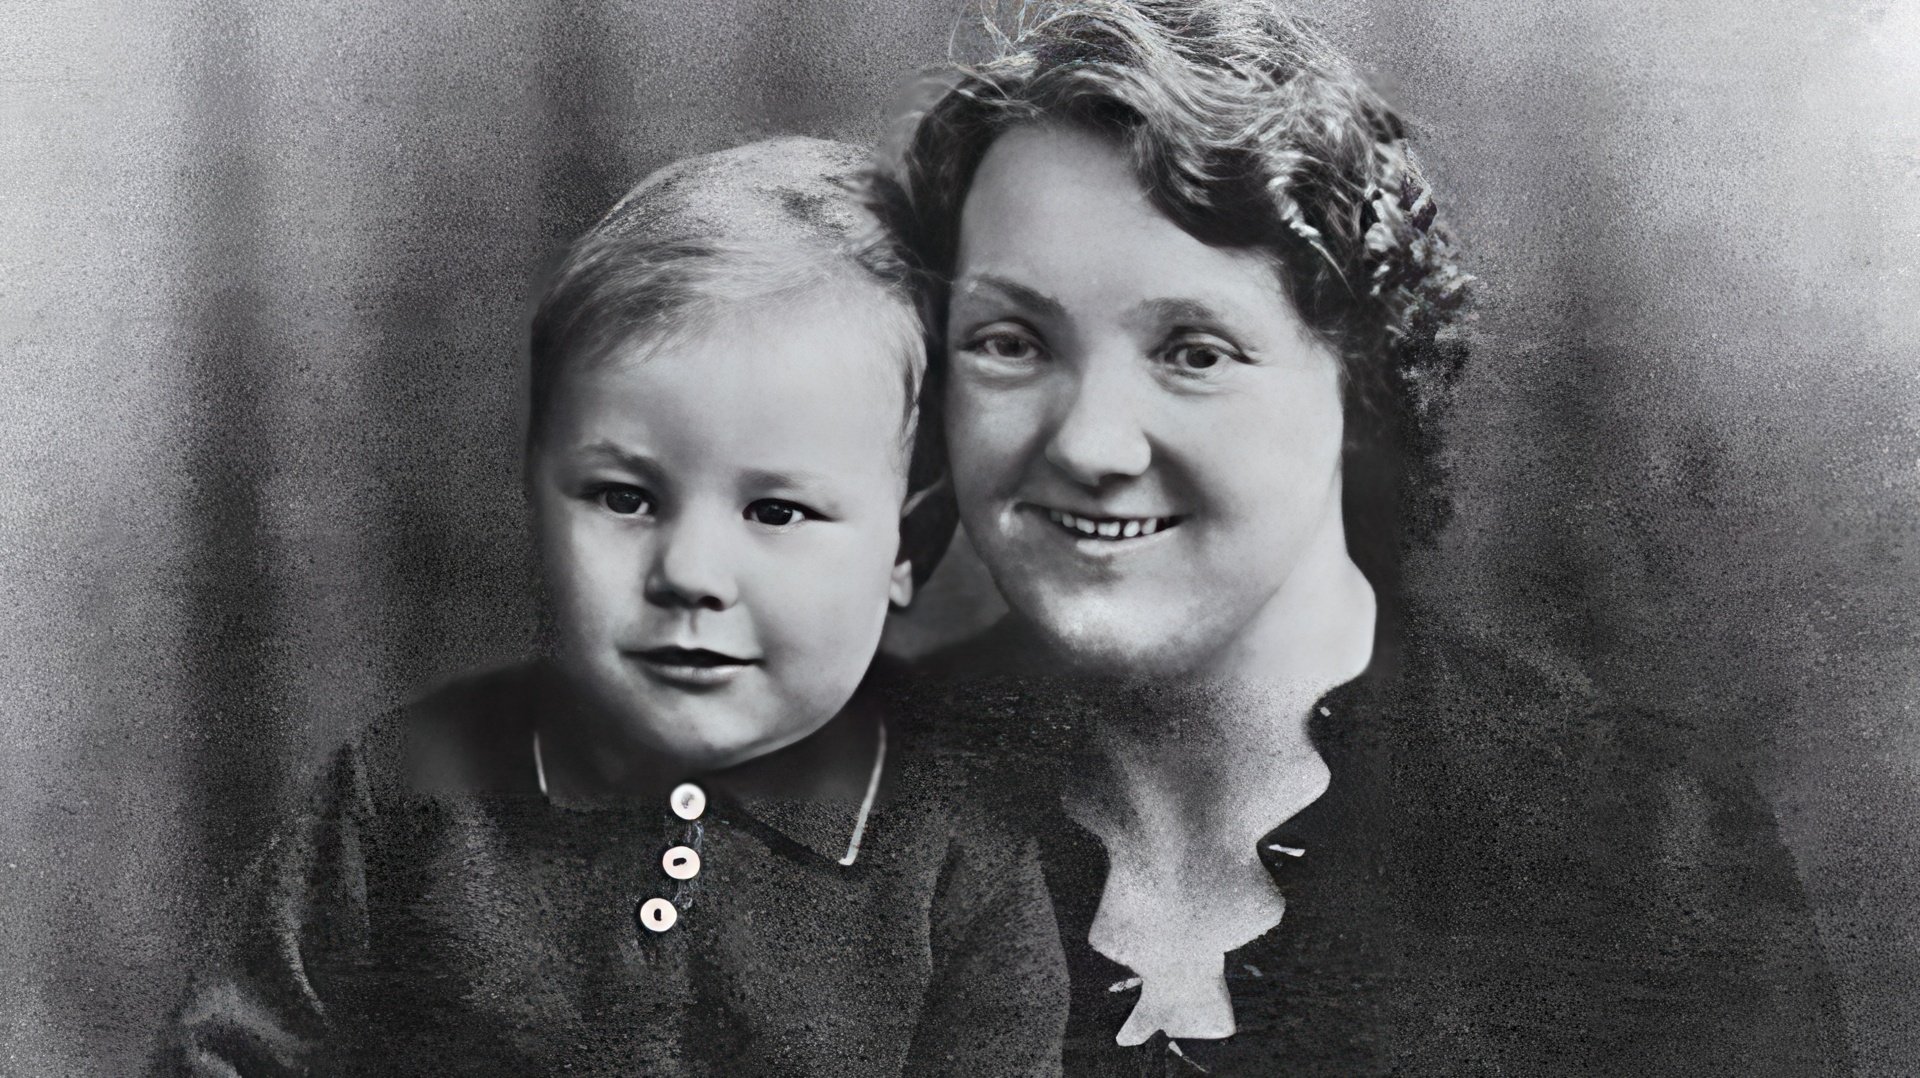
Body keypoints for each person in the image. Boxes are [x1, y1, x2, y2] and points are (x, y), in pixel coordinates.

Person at [879, 1, 1851, 1072]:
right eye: (1011, 342)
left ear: (1360, 377)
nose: (1093, 441)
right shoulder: (827, 812)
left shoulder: (1642, 853)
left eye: (1195, 351)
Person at [151, 137, 1067, 1076]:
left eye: (778, 510)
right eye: (625, 497)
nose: (692, 572)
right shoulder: (409, 793)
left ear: (908, 547)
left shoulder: (960, 857)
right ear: (534, 496)